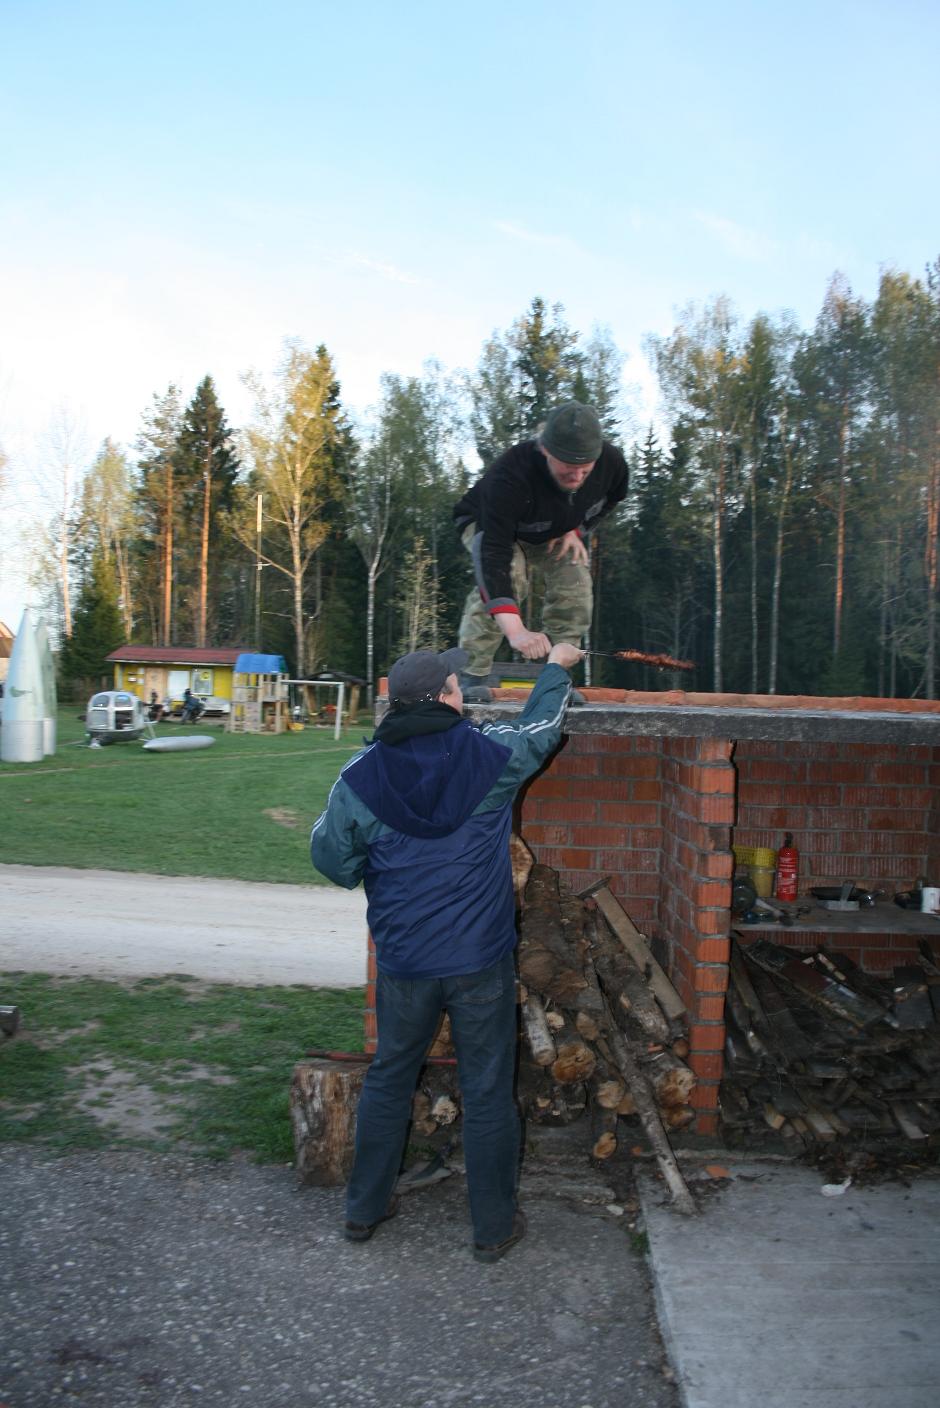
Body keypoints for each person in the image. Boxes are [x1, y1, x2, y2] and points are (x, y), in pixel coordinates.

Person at [310, 639, 583, 1261]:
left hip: (405, 964)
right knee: (488, 1089)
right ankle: (491, 1230)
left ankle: (364, 1210)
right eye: (459, 686)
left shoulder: (359, 777)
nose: (465, 693)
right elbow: (541, 729)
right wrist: (555, 669)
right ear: (444, 698)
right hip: (480, 960)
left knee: (389, 1078)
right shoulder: (491, 757)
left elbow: (331, 859)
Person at [453, 400, 629, 701]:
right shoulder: (509, 476)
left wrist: (577, 530)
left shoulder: (612, 465)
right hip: (489, 528)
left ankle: (556, 679)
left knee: (575, 577)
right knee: (512, 575)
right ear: (546, 450)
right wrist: (516, 631)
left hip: (550, 531)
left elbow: (611, 498)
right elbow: (492, 555)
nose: (576, 478)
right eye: (567, 469)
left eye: (584, 471)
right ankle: (470, 676)